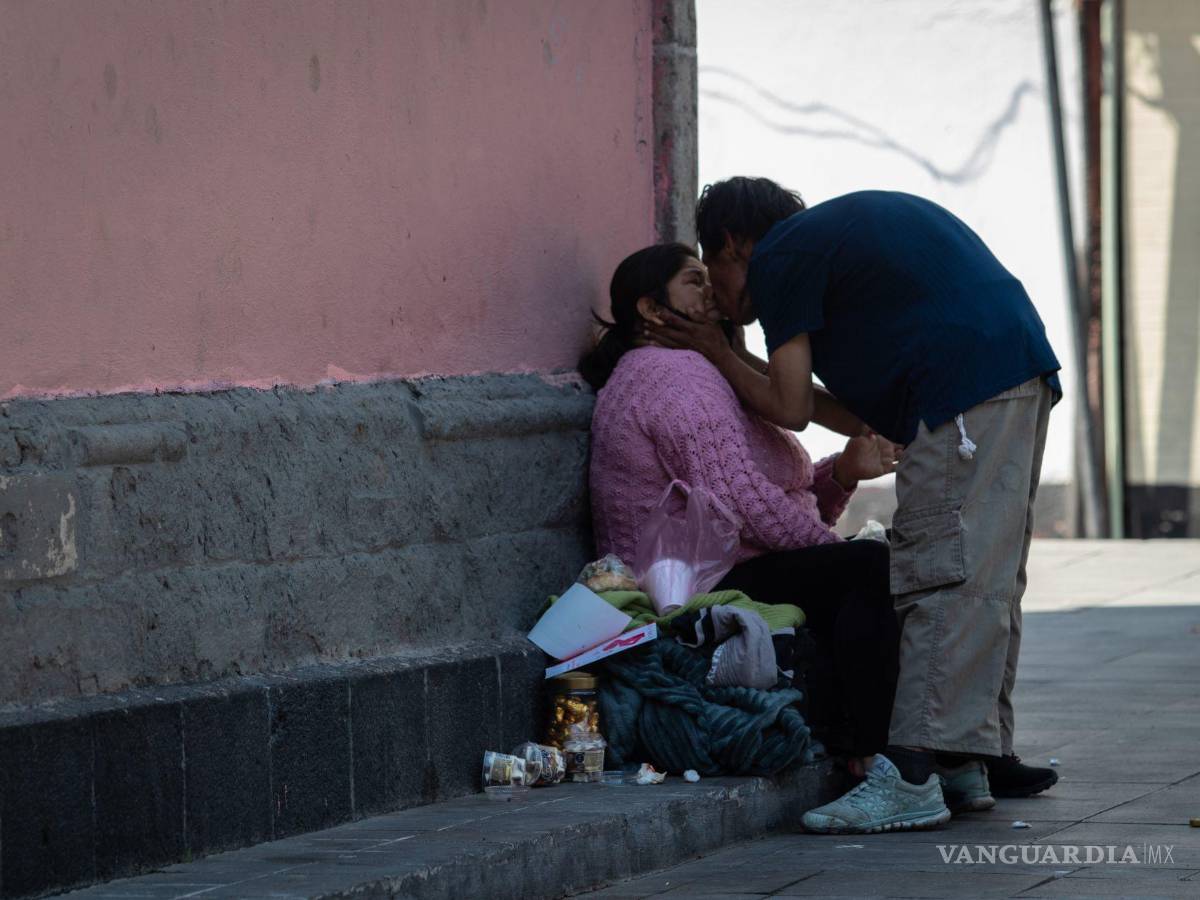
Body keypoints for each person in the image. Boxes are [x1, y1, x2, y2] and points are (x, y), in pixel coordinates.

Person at [650, 178, 1061, 834]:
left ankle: (913, 777)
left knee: (939, 575)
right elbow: (827, 408)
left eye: (710, 269)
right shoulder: (828, 247)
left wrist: (715, 351)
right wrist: (734, 357)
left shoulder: (780, 258)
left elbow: (786, 407)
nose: (718, 297)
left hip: (964, 391)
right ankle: (964, 759)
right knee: (984, 575)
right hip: (1010, 373)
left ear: (732, 245)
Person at [581, 242, 902, 774]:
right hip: (690, 585)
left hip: (732, 562)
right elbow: (743, 505)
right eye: (694, 281)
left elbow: (762, 503)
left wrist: (842, 474)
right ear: (652, 309)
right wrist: (837, 549)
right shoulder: (672, 376)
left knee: (868, 563)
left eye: (712, 278)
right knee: (869, 567)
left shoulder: (696, 369)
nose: (712, 291)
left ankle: (885, 745)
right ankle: (868, 753)